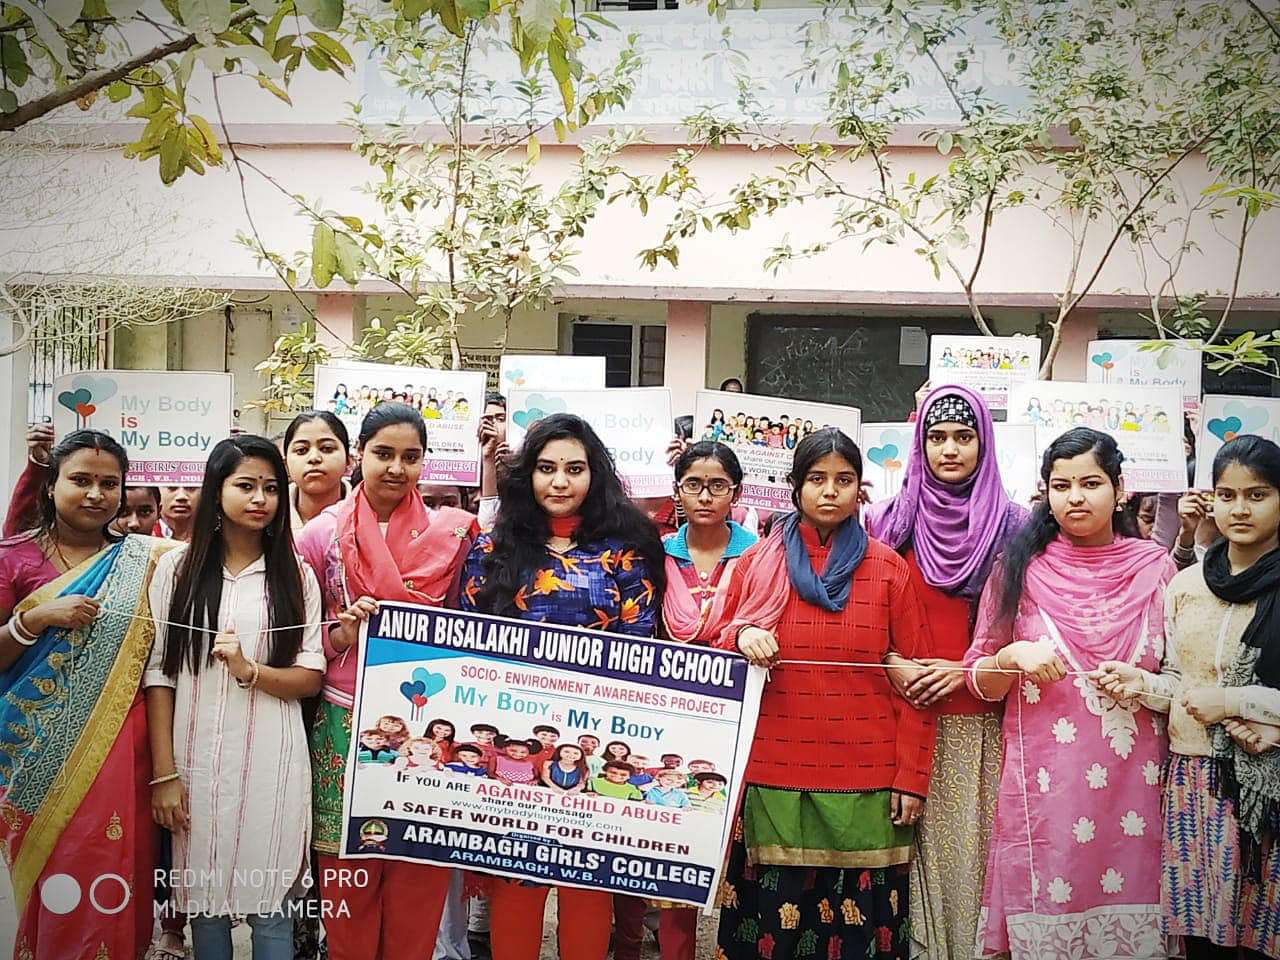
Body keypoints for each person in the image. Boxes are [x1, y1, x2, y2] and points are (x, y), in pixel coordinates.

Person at [714, 429, 936, 960]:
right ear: (795, 487)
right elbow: (718, 644)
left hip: (868, 784)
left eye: (844, 479)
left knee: (858, 937)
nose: (830, 491)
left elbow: (920, 686)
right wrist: (743, 635)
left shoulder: (889, 569)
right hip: (773, 779)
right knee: (774, 934)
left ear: (861, 489)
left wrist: (912, 778)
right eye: (817, 479)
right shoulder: (756, 565)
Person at [962, 428, 1175, 960]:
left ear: (1120, 489)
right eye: (1061, 486)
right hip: (1046, 792)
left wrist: (1145, 685)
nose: (1075, 497)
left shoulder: (1156, 569)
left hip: (1138, 789)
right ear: (1046, 492)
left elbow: (1183, 682)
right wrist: (1010, 657)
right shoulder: (1019, 570)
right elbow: (978, 677)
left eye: (1090, 483)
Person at [461, 412, 664, 960]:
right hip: (515, 746)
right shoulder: (492, 549)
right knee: (516, 883)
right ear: (527, 474)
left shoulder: (626, 552)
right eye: (547, 468)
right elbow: (468, 644)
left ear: (595, 475)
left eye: (574, 469)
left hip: (590, 743)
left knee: (586, 887)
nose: (560, 481)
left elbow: (641, 647)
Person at [296, 402, 476, 960]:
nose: (397, 468)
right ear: (359, 455)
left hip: (427, 719)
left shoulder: (454, 533)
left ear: (424, 461)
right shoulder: (320, 535)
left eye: (410, 456)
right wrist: (341, 635)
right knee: (348, 868)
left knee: (417, 864)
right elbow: (298, 634)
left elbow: (469, 623)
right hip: (344, 714)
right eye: (383, 454)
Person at [1094, 434, 1280, 959]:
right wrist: (1140, 683)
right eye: (1227, 495)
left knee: (1262, 938)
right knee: (1202, 939)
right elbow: (1180, 680)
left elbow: (1217, 697)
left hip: (1266, 790)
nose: (1239, 509)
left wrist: (1236, 702)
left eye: (1257, 495)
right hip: (1195, 781)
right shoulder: (1188, 585)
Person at [864, 384, 1028, 960]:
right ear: (920, 443)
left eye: (964, 436)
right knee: (901, 864)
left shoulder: (1015, 526)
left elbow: (1031, 623)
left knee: (971, 862)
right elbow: (865, 611)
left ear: (985, 443)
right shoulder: (888, 521)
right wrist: (890, 661)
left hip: (980, 723)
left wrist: (966, 671)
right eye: (936, 437)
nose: (950, 449)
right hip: (899, 716)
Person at [145, 435, 325, 960]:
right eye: (245, 485)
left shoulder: (297, 576)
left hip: (273, 760)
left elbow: (310, 676)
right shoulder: (177, 571)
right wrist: (164, 774)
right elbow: (160, 675)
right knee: (206, 907)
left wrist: (250, 671)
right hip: (195, 760)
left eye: (271, 488)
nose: (260, 499)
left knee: (270, 908)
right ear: (217, 489)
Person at [0, 430, 176, 960]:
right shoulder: (12, 559)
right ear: (51, 485)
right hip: (37, 750)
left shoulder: (144, 560)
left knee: (120, 870)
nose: (96, 494)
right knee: (62, 871)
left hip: (127, 745)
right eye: (81, 480)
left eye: (109, 483)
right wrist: (33, 621)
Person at [284, 410, 353, 533]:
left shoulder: (370, 514)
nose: (314, 458)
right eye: (301, 450)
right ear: (286, 464)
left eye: (327, 448)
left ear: (349, 461)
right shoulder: (269, 516)